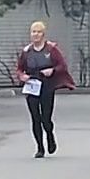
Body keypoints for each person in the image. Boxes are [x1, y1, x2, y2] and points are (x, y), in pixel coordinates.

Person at [13, 20, 74, 158]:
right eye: (33, 32)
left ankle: (50, 136)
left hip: (47, 85)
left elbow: (62, 66)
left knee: (45, 118)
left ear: (43, 34)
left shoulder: (51, 49)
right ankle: (40, 148)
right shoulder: (26, 51)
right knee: (35, 118)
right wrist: (22, 76)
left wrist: (52, 70)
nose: (35, 34)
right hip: (32, 86)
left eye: (38, 32)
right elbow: (19, 69)